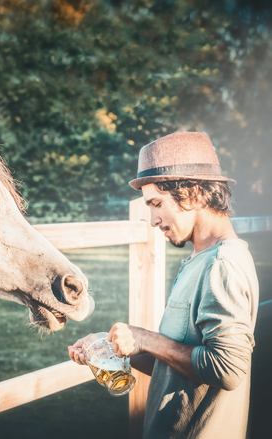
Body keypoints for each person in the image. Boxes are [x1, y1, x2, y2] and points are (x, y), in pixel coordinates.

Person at [68, 132, 259, 439]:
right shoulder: (201, 259)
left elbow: (227, 368)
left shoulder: (222, 264)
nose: (154, 220)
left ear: (193, 192)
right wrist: (115, 349)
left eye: (157, 203)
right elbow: (178, 364)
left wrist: (146, 337)